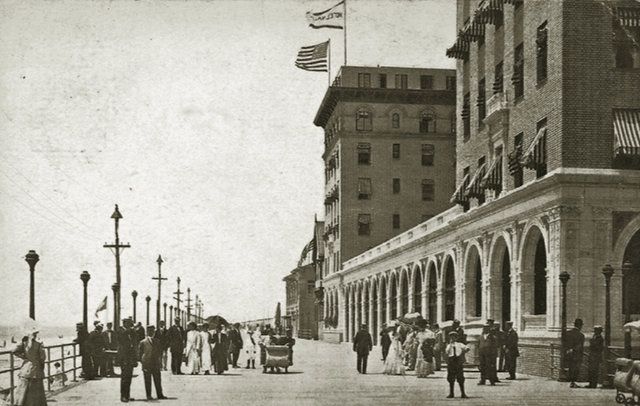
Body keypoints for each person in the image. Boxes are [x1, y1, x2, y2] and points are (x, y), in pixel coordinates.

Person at [12, 328, 47, 405]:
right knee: (36, 390)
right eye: (35, 334)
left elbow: (14, 351)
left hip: (26, 368)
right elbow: (43, 358)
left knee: (23, 389)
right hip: (36, 369)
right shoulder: (39, 344)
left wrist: (24, 357)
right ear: (34, 335)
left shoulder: (24, 342)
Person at [138, 325, 167, 401]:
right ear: (147, 332)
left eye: (153, 331)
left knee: (157, 379)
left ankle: (160, 394)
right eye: (150, 331)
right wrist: (143, 362)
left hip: (155, 363)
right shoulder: (142, 342)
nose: (152, 333)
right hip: (146, 363)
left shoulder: (157, 341)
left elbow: (160, 352)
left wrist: (160, 362)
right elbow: (140, 354)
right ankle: (148, 395)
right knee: (147, 380)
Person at [117, 317, 138, 403]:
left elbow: (134, 342)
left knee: (129, 377)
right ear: (125, 323)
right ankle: (123, 396)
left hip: (130, 357)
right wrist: (131, 330)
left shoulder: (130, 332)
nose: (130, 325)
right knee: (125, 377)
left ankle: (127, 395)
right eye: (129, 323)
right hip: (124, 357)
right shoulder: (121, 330)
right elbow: (121, 338)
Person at [445, 331, 469, 399]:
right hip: (451, 361)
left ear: (456, 338)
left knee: (460, 377)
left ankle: (463, 393)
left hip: (458, 361)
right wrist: (450, 345)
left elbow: (467, 348)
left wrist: (462, 353)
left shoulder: (460, 344)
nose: (453, 338)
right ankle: (451, 393)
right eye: (451, 337)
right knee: (451, 378)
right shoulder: (448, 345)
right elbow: (447, 352)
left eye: (454, 337)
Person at [565, 318, 585, 388]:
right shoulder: (581, 335)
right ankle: (573, 382)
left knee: (571, 367)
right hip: (577, 354)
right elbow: (580, 346)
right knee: (576, 368)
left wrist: (568, 350)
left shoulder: (568, 333)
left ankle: (571, 382)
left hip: (569, 353)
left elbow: (565, 343)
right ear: (580, 326)